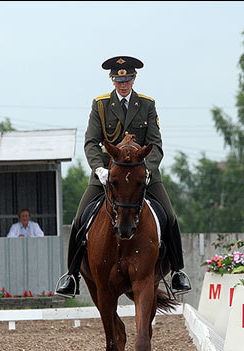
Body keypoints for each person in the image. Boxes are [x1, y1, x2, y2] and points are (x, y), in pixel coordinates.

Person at [55, 55, 191, 297]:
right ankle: (72, 275)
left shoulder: (147, 105)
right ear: (112, 80)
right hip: (110, 175)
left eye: (127, 79)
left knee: (170, 217)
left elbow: (156, 144)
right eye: (119, 80)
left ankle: (178, 272)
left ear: (134, 78)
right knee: (79, 220)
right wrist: (100, 169)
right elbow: (90, 143)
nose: (123, 84)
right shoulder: (100, 105)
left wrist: (148, 169)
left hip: (142, 174)